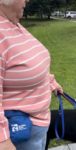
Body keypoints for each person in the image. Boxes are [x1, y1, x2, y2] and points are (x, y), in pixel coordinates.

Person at [0, 0, 63, 150]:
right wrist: (3, 142)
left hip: (36, 129)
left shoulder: (13, 23)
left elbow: (26, 64)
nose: (27, 0)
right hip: (19, 133)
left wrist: (50, 82)